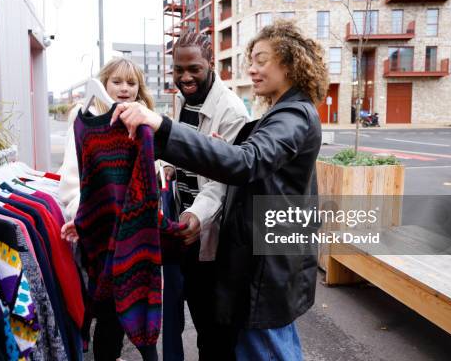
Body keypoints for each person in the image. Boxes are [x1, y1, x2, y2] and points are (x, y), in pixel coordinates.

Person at [110, 19, 327, 360]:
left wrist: (162, 128)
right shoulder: (283, 111)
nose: (251, 69)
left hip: (267, 263)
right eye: (250, 61)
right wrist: (222, 148)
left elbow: (247, 162)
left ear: (289, 61)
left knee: (266, 347)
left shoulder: (293, 115)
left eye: (261, 60)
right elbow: (252, 160)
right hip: (262, 257)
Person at [57, 57, 156, 361]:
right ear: (103, 83)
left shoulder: (142, 122)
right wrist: (82, 216)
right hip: (97, 234)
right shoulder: (83, 121)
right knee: (107, 313)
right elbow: (72, 179)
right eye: (117, 82)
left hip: (134, 232)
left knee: (136, 306)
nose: (124, 89)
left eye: (131, 83)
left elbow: (150, 174)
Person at [161, 32, 249, 361]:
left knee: (216, 332)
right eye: (178, 69)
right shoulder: (188, 99)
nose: (185, 77)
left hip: (213, 236)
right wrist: (167, 166)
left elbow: (222, 181)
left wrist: (196, 215)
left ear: (210, 63)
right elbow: (186, 148)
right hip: (188, 230)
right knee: (200, 320)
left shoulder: (230, 111)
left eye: (194, 68)